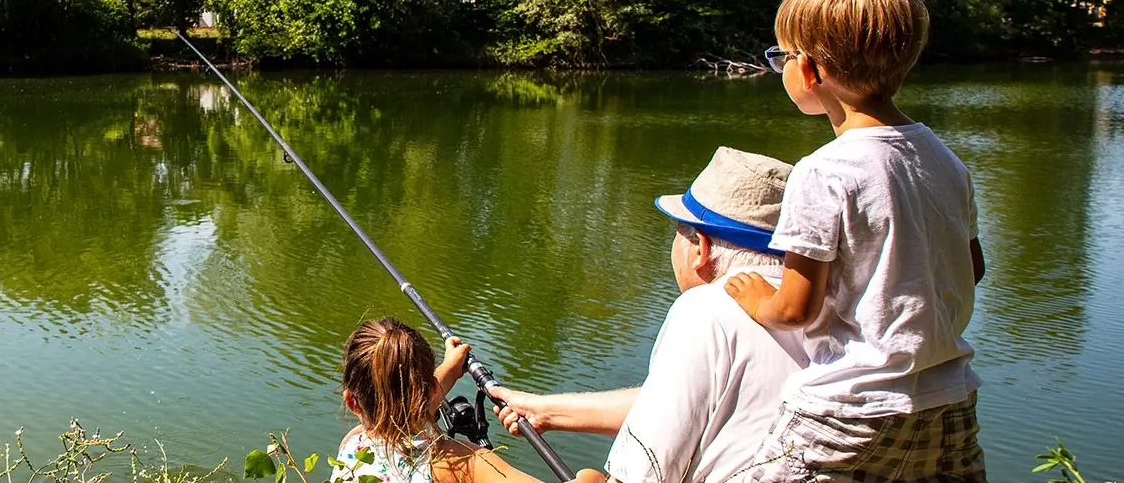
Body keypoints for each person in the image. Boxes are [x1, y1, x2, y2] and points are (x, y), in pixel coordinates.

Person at [725, 0, 986, 480]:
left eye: (781, 55)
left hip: (848, 410)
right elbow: (971, 268)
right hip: (948, 404)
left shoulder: (824, 170)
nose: (779, 67)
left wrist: (758, 302)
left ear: (811, 70)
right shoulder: (943, 158)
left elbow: (796, 310)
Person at [487, 147, 808, 483]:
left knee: (471, 463)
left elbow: (641, 473)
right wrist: (546, 411)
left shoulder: (706, 310)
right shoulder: (824, 313)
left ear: (700, 247)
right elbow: (683, 402)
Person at [331, 318, 542, 483]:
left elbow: (400, 415)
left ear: (351, 401)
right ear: (432, 390)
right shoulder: (461, 463)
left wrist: (449, 370)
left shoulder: (352, 447)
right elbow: (410, 408)